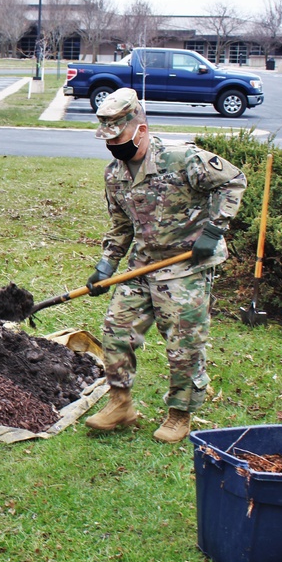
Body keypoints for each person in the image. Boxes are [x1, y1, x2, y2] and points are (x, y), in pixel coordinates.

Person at [83, 88, 246, 443]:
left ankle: (179, 415)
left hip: (185, 265)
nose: (113, 146)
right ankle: (120, 403)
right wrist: (106, 264)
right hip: (142, 264)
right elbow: (121, 224)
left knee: (183, 343)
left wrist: (214, 230)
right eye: (107, 140)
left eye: (118, 137)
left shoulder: (181, 158)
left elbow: (233, 181)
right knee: (115, 330)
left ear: (140, 130)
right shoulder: (115, 174)